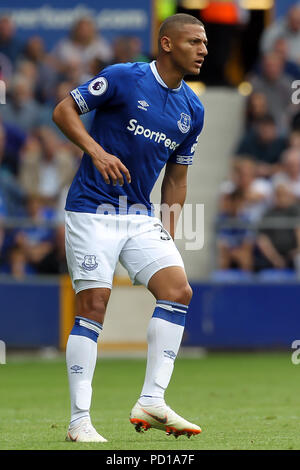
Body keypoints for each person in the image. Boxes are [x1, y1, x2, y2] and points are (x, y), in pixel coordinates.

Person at [52, 13, 207, 443]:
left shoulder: (192, 109)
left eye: (205, 42)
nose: (204, 50)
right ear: (167, 44)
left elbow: (177, 178)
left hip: (138, 215)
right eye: (195, 41)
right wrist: (97, 152)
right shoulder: (124, 77)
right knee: (94, 305)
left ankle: (152, 400)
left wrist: (169, 232)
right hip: (90, 210)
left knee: (178, 290)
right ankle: (79, 421)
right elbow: (63, 110)